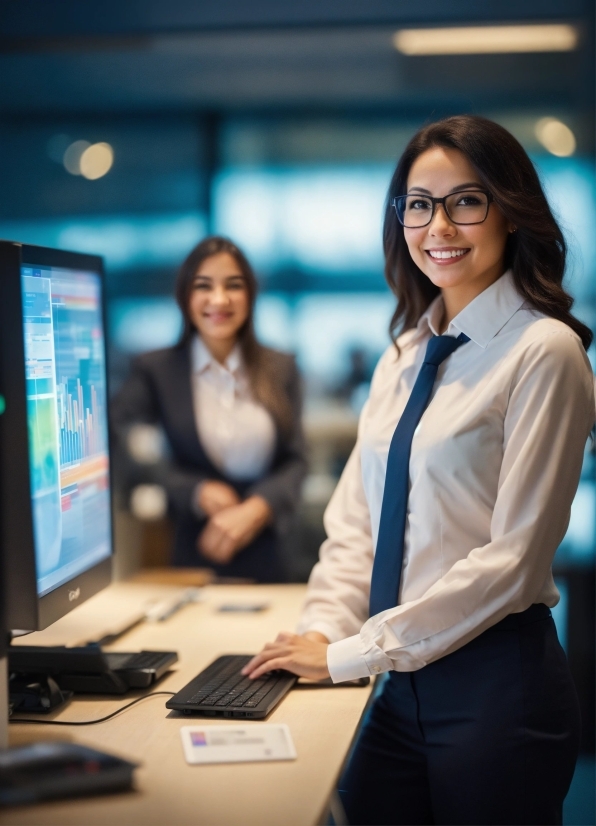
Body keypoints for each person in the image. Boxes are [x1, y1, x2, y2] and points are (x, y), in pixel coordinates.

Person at [242, 116, 595, 824]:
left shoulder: (544, 353)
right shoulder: (405, 352)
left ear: (510, 211)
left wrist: (348, 656)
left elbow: (512, 561)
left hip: (494, 690)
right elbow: (356, 525)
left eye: (467, 201)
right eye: (419, 203)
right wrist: (321, 631)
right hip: (395, 685)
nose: (440, 225)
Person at [111, 236, 306, 582]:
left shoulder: (281, 367)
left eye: (234, 285)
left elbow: (296, 459)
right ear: (185, 297)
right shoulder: (157, 370)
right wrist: (193, 490)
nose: (219, 299)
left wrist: (256, 509)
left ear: (251, 295)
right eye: (204, 286)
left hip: (271, 551)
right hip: (194, 549)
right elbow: (118, 442)